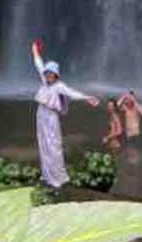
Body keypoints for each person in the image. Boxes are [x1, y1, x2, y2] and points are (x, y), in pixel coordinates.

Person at [31, 39, 100, 187]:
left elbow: (72, 93)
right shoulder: (44, 82)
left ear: (56, 75)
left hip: (51, 116)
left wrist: (87, 97)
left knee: (54, 144)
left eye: (51, 74)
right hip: (41, 113)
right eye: (47, 73)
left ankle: (58, 177)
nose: (48, 75)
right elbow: (38, 64)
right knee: (43, 143)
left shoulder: (59, 86)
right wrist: (35, 51)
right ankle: (47, 175)